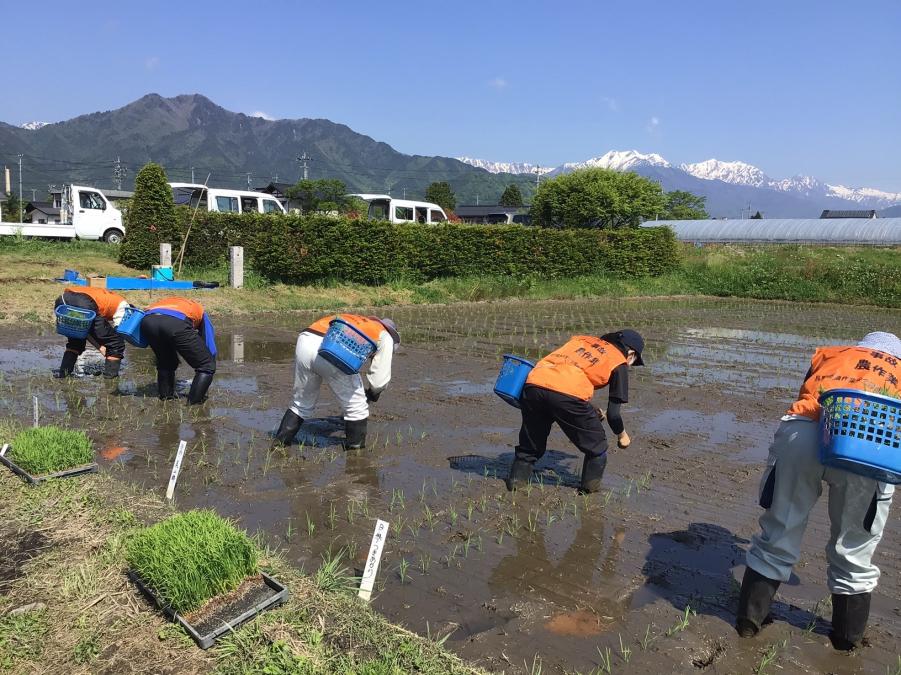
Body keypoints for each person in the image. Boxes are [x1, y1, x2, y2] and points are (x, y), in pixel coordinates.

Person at [737, 331, 901, 650]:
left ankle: (748, 622)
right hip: (867, 446)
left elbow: (808, 393)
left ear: (861, 348)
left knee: (779, 529)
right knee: (854, 546)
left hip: (807, 429)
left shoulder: (832, 354)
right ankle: (846, 641)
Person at [507, 329, 645, 494]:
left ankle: (516, 484)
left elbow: (561, 379)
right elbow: (614, 414)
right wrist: (622, 436)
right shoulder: (618, 360)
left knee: (530, 444)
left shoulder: (581, 342)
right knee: (597, 446)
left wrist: (592, 411)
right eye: (633, 361)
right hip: (566, 394)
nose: (629, 365)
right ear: (630, 354)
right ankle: (589, 491)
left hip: (534, 384)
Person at [273, 313, 400, 450]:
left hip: (306, 339)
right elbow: (379, 380)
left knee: (301, 403)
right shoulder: (386, 336)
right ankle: (356, 458)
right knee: (357, 408)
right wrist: (373, 393)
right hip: (331, 347)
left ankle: (279, 445)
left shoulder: (359, 321)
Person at [140, 297, 216, 404]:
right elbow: (208, 341)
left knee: (166, 363)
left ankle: (166, 398)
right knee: (206, 365)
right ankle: (194, 404)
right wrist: (209, 363)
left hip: (147, 322)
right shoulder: (201, 311)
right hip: (175, 322)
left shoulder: (166, 302)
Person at [54, 286, 129, 379]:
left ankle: (63, 375)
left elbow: (86, 330)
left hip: (63, 300)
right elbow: (119, 329)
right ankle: (110, 381)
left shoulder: (111, 297)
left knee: (76, 340)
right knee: (116, 343)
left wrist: (98, 345)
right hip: (83, 302)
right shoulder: (124, 307)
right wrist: (102, 346)